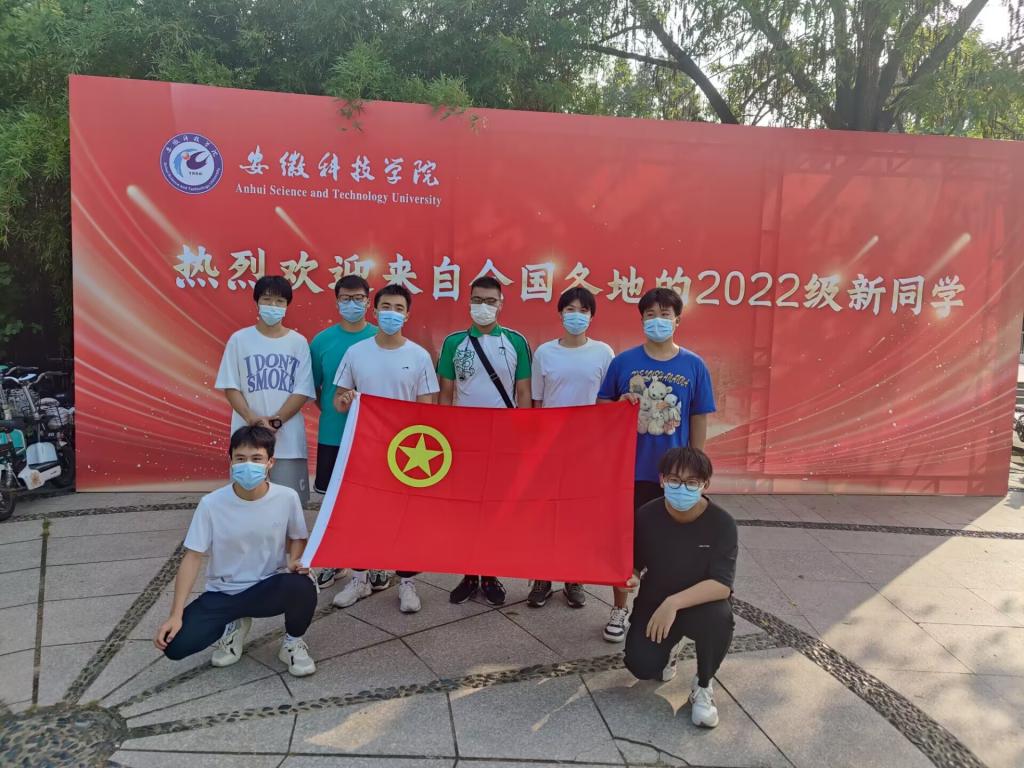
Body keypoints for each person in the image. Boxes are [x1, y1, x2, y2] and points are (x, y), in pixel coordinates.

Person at [597, 287, 715, 642]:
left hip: (674, 476)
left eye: (665, 315)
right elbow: (601, 408)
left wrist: (696, 468)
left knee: (669, 546)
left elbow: (698, 416)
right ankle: (620, 608)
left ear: (677, 320)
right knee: (626, 544)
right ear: (642, 320)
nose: (658, 321)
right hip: (630, 471)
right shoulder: (623, 362)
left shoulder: (694, 365)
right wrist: (619, 402)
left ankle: (661, 608)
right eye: (650, 315)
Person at [154, 426, 318, 677]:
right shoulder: (211, 504)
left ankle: (292, 644)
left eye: (257, 458)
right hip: (224, 592)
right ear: (230, 460)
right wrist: (175, 615)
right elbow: (193, 557)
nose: (248, 465)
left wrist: (295, 560)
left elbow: (298, 536)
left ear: (270, 462)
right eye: (240, 458)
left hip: (267, 587)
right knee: (175, 646)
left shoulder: (286, 497)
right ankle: (233, 626)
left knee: (302, 585)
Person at [330, 284, 440, 613]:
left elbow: (426, 410)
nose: (392, 313)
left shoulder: (419, 356)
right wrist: (346, 399)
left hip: (406, 453)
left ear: (407, 314)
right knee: (361, 515)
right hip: (365, 448)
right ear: (375, 311)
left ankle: (406, 582)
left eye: (399, 308)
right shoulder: (356, 352)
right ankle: (360, 579)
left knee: (406, 519)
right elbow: (338, 400)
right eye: (386, 307)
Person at [622, 446, 736, 729]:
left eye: (691, 482)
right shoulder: (646, 515)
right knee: (641, 667)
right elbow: (634, 564)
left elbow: (722, 585)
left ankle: (703, 686)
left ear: (705, 484)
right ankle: (668, 652)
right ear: (662, 480)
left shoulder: (722, 524)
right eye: (674, 480)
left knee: (719, 618)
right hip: (655, 601)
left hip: (700, 605)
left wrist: (673, 603)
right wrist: (630, 577)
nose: (681, 488)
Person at [437, 275, 532, 605]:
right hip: (465, 440)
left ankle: (490, 574)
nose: (484, 307)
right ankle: (468, 574)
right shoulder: (454, 343)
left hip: (504, 438)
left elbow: (523, 393)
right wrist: (445, 436)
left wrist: (522, 437)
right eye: (478, 300)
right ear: (469, 302)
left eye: (491, 301)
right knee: (466, 509)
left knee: (494, 508)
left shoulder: (516, 341)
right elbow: (446, 394)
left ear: (501, 304)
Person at [527, 286, 614, 609]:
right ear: (560, 314)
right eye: (570, 309)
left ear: (592, 316)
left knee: (578, 515)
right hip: (550, 448)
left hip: (587, 449)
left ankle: (573, 578)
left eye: (583, 310)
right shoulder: (544, 353)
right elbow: (537, 402)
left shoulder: (603, 352)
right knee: (546, 514)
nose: (576, 316)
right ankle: (541, 577)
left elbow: (608, 402)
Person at [215, 275, 315, 505]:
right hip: (247, 440)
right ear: (257, 302)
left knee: (290, 503)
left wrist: (276, 422)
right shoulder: (239, 340)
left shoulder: (298, 342)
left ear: (287, 305)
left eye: (279, 301)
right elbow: (231, 386)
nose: (273, 306)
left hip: (288, 441)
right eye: (267, 300)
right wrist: (253, 420)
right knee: (245, 501)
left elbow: (302, 389)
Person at [308, 275, 378, 589]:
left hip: (373, 437)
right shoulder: (321, 341)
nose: (352, 304)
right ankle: (334, 560)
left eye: (358, 298)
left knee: (372, 501)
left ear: (368, 300)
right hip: (333, 434)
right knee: (332, 502)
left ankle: (374, 562)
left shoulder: (380, 337)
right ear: (336, 301)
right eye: (346, 298)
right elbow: (316, 389)